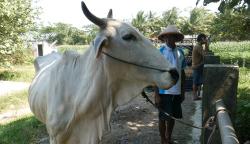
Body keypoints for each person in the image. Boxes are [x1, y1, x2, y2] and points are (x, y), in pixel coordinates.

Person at [155, 25, 186, 144]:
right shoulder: (160, 52)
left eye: (172, 36)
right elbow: (156, 74)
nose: (169, 39)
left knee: (173, 117)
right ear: (164, 38)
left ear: (176, 38)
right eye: (166, 37)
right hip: (164, 91)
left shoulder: (180, 52)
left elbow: (182, 73)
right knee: (163, 118)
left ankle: (168, 137)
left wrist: (182, 92)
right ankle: (163, 139)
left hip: (177, 91)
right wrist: (157, 94)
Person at [191, 33, 209, 100]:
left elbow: (206, 52)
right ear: (202, 39)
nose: (206, 40)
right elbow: (206, 55)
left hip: (199, 66)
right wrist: (207, 43)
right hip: (197, 66)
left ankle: (196, 95)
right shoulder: (198, 46)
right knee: (195, 82)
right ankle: (194, 96)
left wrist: (206, 44)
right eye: (205, 38)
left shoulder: (199, 46)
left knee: (198, 81)